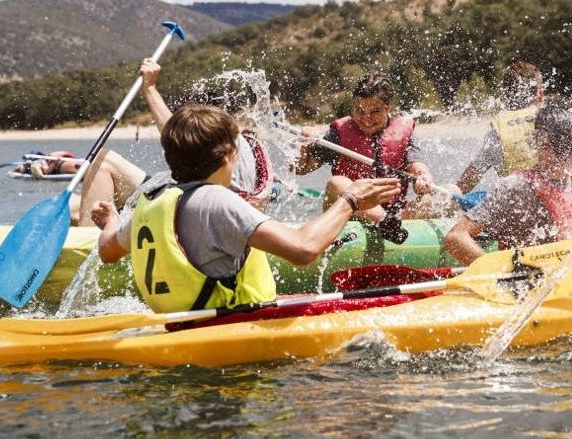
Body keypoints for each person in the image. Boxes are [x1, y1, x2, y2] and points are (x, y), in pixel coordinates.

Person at [93, 104, 400, 313]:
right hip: (231, 326)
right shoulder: (217, 200)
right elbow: (304, 250)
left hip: (184, 323)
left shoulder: (153, 200)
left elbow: (107, 251)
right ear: (228, 155)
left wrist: (112, 219)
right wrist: (351, 201)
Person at [443, 99, 572, 271]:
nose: (556, 158)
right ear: (538, 141)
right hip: (536, 293)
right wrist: (504, 274)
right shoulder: (516, 186)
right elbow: (456, 238)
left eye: (566, 149)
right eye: (548, 147)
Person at [78, 59, 275, 226]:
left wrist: (150, 88)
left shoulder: (223, 144)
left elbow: (176, 137)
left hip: (198, 213)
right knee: (103, 160)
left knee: (105, 162)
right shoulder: (233, 140)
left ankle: (88, 239)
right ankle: (87, 233)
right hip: (182, 197)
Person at [292, 74, 446, 240]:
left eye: (375, 111)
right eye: (359, 110)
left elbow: (418, 165)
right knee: (337, 183)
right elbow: (300, 169)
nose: (366, 119)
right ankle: (385, 223)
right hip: (351, 214)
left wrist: (423, 178)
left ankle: (395, 228)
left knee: (441, 195)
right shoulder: (338, 133)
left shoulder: (403, 131)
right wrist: (304, 144)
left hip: (397, 218)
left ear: (389, 107)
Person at [455, 60, 543, 195]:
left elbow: (467, 182)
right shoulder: (554, 121)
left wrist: (451, 194)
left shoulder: (497, 133)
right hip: (556, 205)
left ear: (507, 96)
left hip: (516, 204)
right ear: (540, 94)